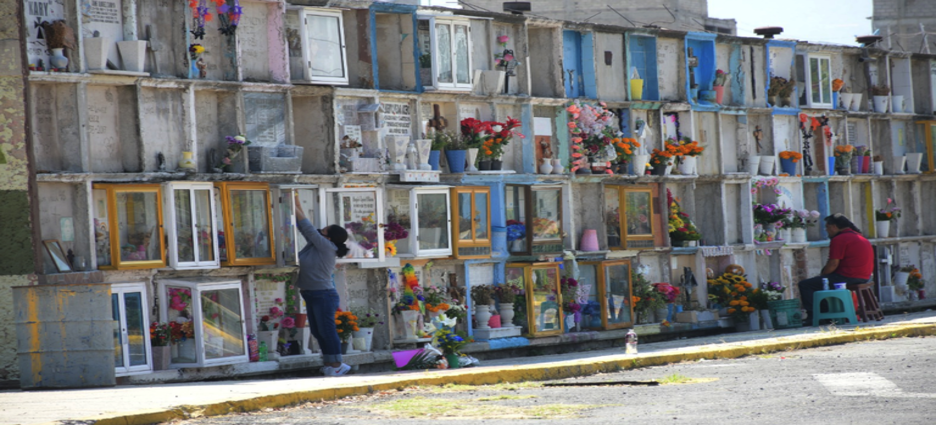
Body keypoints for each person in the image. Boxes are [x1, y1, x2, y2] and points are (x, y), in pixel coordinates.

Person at [293, 193, 352, 376]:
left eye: (324, 231)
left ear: (329, 238)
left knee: (326, 330)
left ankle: (337, 364)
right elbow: (304, 226)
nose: (319, 231)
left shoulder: (327, 247)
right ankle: (329, 362)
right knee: (318, 331)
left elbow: (308, 227)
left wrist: (289, 201)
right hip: (312, 293)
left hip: (323, 294)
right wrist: (295, 198)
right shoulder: (316, 245)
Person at [797, 214, 874, 324]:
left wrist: (823, 275)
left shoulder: (840, 239)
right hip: (864, 276)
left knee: (806, 285)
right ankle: (826, 314)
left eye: (827, 228)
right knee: (819, 282)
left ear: (833, 227)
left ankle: (816, 316)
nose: (827, 231)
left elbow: (833, 264)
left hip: (848, 276)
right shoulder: (859, 236)